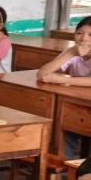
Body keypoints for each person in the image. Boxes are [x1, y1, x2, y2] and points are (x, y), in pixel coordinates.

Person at [37, 16, 91, 157]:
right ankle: (65, 165)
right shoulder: (73, 52)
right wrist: (70, 54)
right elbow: (42, 73)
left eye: (90, 35)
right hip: (76, 105)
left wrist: (59, 79)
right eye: (79, 33)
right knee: (59, 127)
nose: (84, 39)